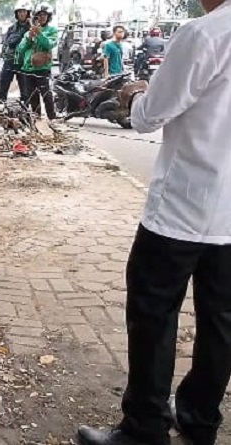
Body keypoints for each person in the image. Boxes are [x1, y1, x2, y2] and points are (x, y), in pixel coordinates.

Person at [77, 0, 231, 444]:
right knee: (221, 323)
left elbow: (148, 117)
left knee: (153, 316)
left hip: (183, 210)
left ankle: (144, 429)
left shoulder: (204, 34)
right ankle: (200, 420)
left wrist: (134, 95)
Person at [16, 3, 57, 121]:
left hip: (43, 69)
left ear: (48, 16)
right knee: (33, 97)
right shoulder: (29, 31)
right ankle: (37, 119)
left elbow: (49, 44)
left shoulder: (52, 30)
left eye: (44, 15)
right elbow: (21, 49)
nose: (42, 17)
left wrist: (39, 34)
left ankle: (52, 118)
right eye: (39, 15)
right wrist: (29, 37)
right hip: (28, 69)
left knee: (46, 95)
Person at [0, 1, 32, 102]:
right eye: (19, 12)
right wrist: (4, 54)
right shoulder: (11, 28)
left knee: (25, 89)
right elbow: (6, 43)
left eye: (24, 11)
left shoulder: (31, 28)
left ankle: (25, 106)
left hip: (23, 62)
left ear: (27, 13)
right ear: (16, 13)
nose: (22, 14)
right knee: (4, 84)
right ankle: (2, 104)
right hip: (10, 60)